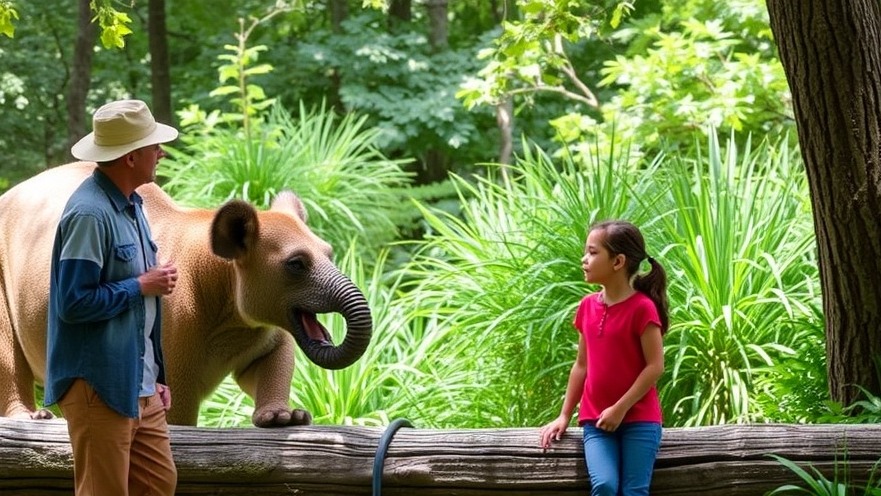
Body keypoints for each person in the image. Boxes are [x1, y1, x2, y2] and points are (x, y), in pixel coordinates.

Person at [44, 99, 180, 496]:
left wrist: (158, 376)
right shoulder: (89, 214)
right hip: (98, 387)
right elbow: (73, 302)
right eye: (153, 145)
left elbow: (143, 310)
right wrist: (141, 285)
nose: (161, 152)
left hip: (141, 385)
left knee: (159, 483)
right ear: (131, 157)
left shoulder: (133, 206)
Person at [539, 220, 669, 496]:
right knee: (605, 485)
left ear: (618, 261)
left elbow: (655, 366)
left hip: (640, 420)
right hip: (596, 421)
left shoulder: (642, 308)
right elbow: (581, 365)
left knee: (634, 490)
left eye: (593, 252)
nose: (584, 259)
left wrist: (620, 408)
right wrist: (564, 415)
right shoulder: (587, 306)